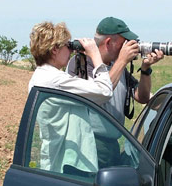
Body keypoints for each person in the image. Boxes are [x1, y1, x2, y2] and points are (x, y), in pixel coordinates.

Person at [28, 21, 136, 173]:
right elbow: (104, 91)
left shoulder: (41, 76)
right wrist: (95, 55)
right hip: (68, 162)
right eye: (68, 46)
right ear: (54, 50)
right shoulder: (55, 80)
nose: (71, 51)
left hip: (60, 158)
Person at [66, 17, 164, 167]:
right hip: (89, 145)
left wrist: (145, 69)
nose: (128, 46)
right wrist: (122, 60)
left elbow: (142, 97)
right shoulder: (81, 64)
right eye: (124, 42)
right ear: (108, 42)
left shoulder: (116, 66)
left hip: (111, 144)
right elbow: (100, 92)